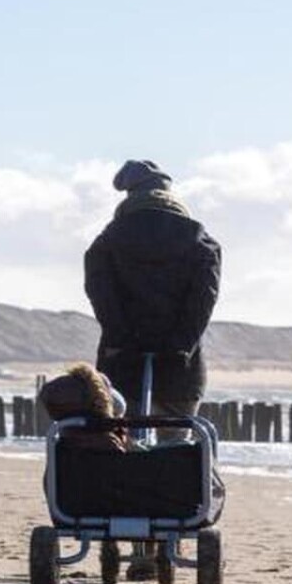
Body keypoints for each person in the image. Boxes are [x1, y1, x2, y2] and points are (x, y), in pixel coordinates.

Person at [83, 159, 222, 432]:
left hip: (121, 362)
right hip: (181, 370)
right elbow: (204, 299)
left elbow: (101, 294)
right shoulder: (201, 242)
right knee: (177, 445)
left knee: (121, 441)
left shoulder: (108, 240)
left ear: (129, 194)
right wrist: (181, 345)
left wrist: (120, 339)